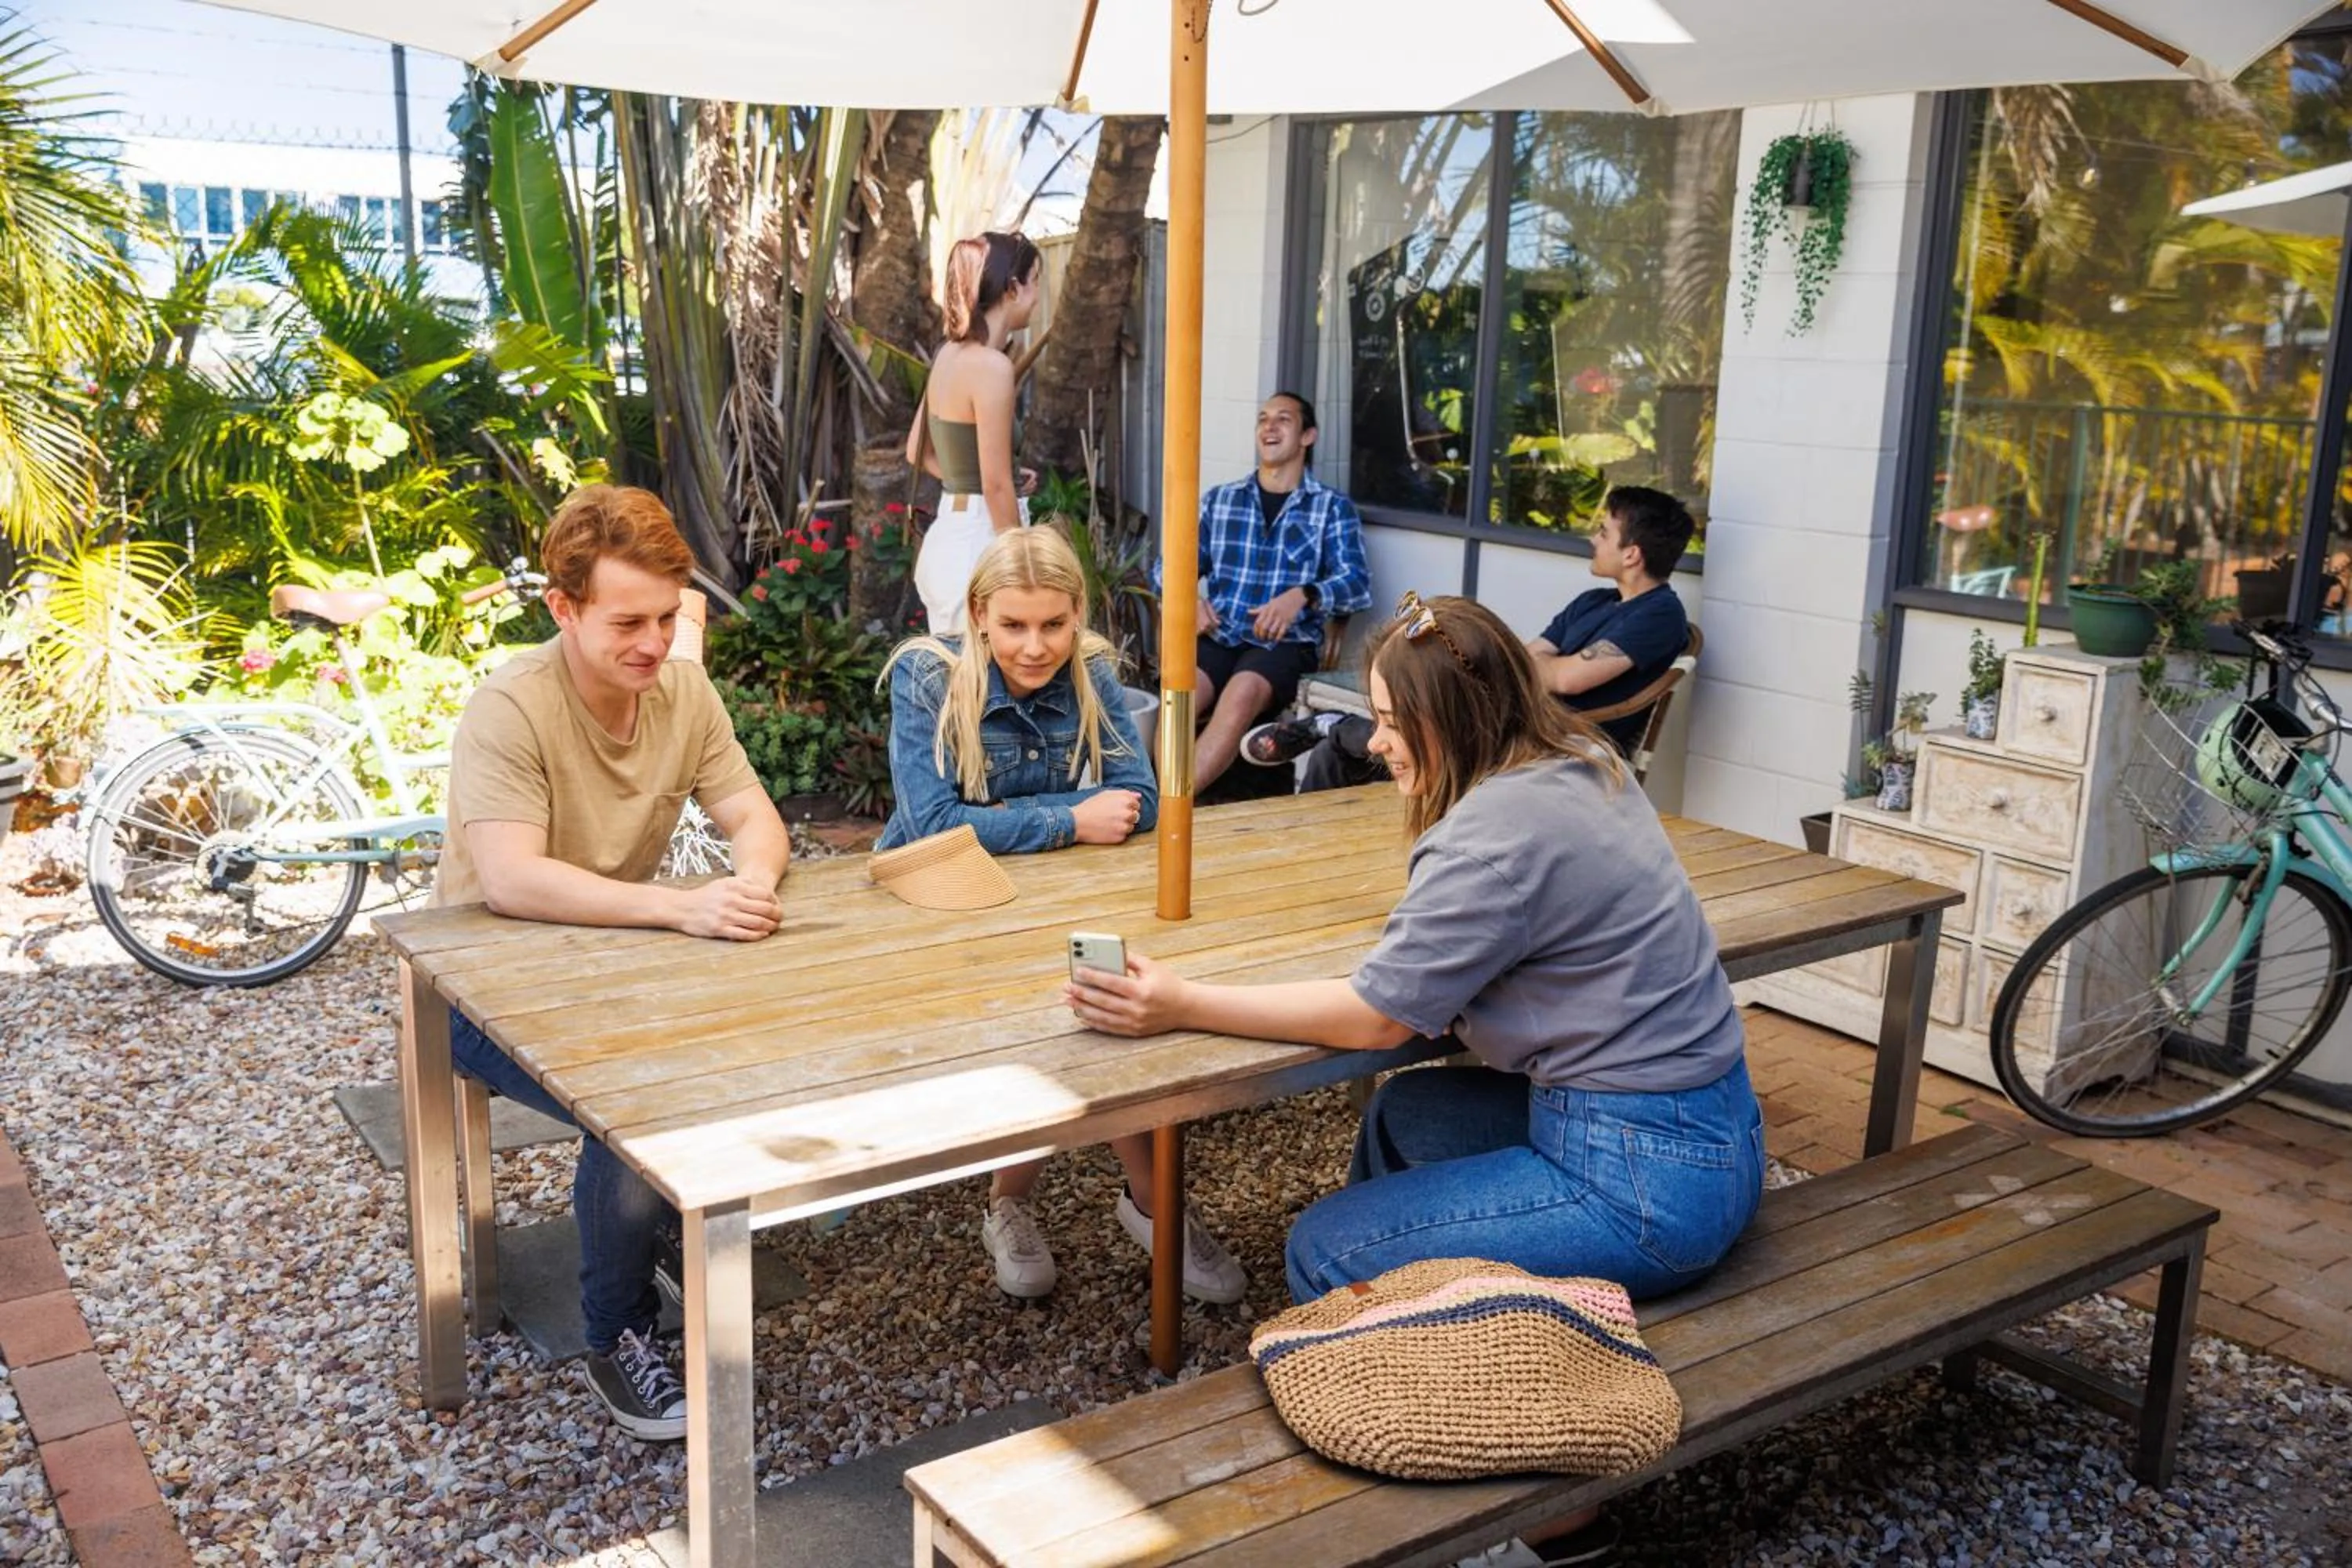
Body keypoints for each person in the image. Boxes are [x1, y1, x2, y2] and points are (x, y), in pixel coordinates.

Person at [1066, 592, 1760, 1562]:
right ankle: (1439, 1348)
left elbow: (1378, 1015)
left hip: (1642, 1181)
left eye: (1393, 720)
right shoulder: (1580, 763)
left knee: (1328, 1249)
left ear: (1457, 720)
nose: (1378, 740)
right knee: (1410, 1112)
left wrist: (1180, 1001)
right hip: (1706, 1128)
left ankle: (1537, 1521)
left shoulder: (1494, 835)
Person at [437, 485, 793, 1443]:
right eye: (628, 621)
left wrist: (752, 881)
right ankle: (618, 1332)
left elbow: (754, 818)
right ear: (563, 606)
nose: (654, 642)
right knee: (634, 1101)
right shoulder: (509, 708)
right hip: (482, 990)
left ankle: (667, 1222)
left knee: (772, 1024)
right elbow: (511, 880)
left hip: (622, 960)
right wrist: (683, 907)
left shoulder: (682, 689)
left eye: (669, 619)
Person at [879, 528, 1249, 1305]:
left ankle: (1031, 1200)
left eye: (1054, 623)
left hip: (1049, 898)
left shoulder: (1092, 667)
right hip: (937, 907)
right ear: (979, 613)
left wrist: (1024, 816)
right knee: (1084, 1017)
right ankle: (1152, 1205)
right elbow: (929, 826)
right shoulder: (927, 674)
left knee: (1100, 1005)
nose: (1037, 644)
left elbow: (1142, 797)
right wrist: (1069, 818)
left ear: (1078, 612)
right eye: (1014, 624)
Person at [1243, 485, 1694, 789]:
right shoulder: (1595, 601)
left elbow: (1568, 679)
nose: (1592, 539)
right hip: (1511, 722)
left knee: (1386, 734)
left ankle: (1338, 726)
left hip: (1555, 745)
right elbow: (1526, 658)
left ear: (1632, 553)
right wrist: (1527, 667)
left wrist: (1529, 667)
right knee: (1333, 758)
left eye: (1604, 532)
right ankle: (1331, 762)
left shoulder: (1659, 616)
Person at [1156, 391, 1372, 794]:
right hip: (1220, 634)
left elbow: (1357, 584)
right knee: (1179, 693)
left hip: (1283, 646)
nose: (1269, 426)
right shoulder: (1221, 501)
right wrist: (1187, 598)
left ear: (1308, 436)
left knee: (1241, 694)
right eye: (1262, 419)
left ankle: (1170, 811)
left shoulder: (1330, 507)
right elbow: (1168, 568)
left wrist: (1304, 594)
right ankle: (1157, 796)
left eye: (1283, 419)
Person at [909, 230, 1044, 637]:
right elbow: (996, 484)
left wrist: (964, 480)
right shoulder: (991, 367)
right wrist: (1024, 572)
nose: (1038, 295)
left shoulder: (947, 354)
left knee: (964, 692)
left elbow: (917, 450)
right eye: (1035, 281)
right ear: (1013, 288)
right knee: (988, 693)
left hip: (952, 535)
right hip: (980, 545)